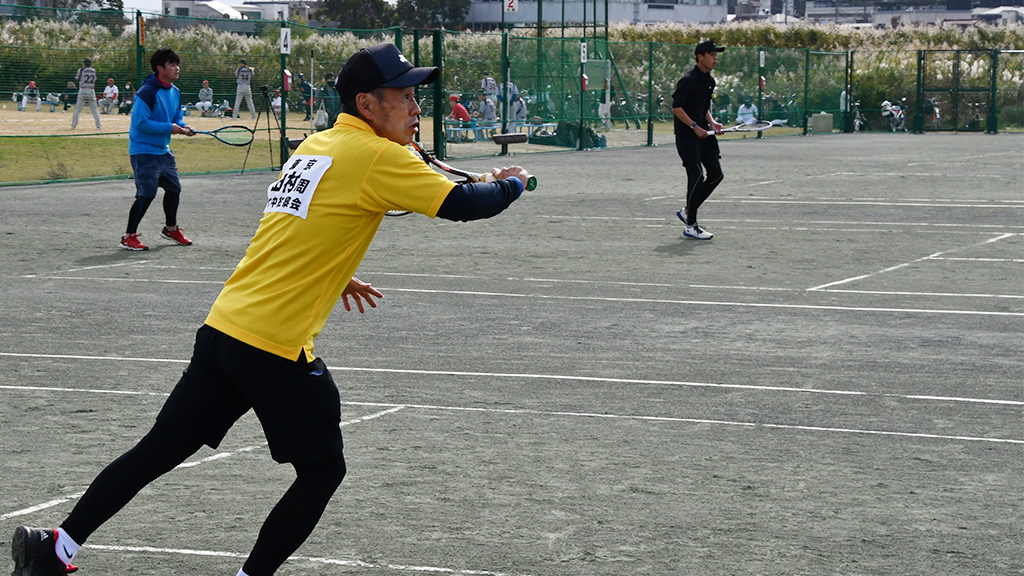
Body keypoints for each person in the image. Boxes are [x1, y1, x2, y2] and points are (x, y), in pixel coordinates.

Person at [10, 41, 530, 576]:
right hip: (275, 346)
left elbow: (293, 225)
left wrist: (333, 269)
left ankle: (57, 546)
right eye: (404, 95)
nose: (416, 107)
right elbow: (466, 205)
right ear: (367, 105)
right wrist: (512, 184)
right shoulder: (378, 154)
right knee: (323, 470)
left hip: (225, 328)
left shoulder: (316, 146)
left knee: (161, 447)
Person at [117, 48, 195, 251]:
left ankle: (170, 229)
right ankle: (129, 236)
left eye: (177, 64)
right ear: (160, 68)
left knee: (174, 189)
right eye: (172, 65)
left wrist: (183, 126)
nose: (177, 68)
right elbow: (141, 123)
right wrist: (171, 128)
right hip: (143, 151)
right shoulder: (147, 92)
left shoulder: (175, 92)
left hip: (163, 151)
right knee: (147, 193)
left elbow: (176, 118)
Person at [672, 39, 726, 240]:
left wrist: (712, 123)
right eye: (712, 54)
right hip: (687, 137)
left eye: (716, 55)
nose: (715, 58)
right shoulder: (688, 80)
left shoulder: (710, 81)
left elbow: (703, 108)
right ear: (700, 57)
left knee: (716, 175)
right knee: (696, 176)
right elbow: (677, 107)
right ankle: (691, 225)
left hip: (705, 136)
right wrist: (694, 127)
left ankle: (689, 209)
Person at [71, 57, 101, 130]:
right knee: (95, 109)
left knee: (78, 109)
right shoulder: (94, 70)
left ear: (84, 63)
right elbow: (95, 79)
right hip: (91, 90)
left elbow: (77, 78)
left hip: (83, 90)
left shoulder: (81, 70)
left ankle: (74, 125)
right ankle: (98, 126)